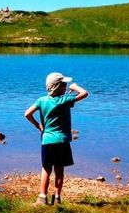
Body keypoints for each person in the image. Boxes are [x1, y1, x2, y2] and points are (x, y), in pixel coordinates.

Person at [24, 72, 89, 205]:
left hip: (47, 140)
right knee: (59, 171)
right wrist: (75, 87)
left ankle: (42, 198)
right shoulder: (64, 100)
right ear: (59, 87)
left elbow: (27, 114)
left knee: (46, 169)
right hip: (62, 141)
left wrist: (38, 125)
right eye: (64, 84)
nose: (66, 86)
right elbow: (84, 93)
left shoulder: (41, 100)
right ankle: (57, 198)